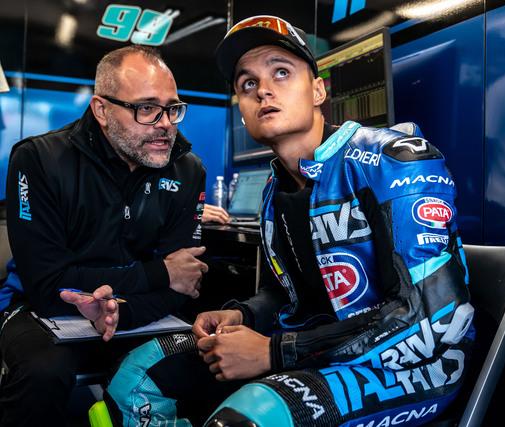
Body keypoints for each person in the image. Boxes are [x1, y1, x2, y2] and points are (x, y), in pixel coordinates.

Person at [104, 16, 474, 427]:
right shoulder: (275, 189)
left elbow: (430, 314)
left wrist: (273, 352)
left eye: (281, 72)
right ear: (242, 110)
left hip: (413, 366)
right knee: (137, 377)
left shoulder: (394, 161)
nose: (263, 89)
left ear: (318, 90)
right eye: (248, 83)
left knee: (244, 420)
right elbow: (288, 295)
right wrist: (243, 316)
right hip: (312, 352)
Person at [0, 45, 209, 425]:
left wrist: (118, 313)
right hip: (35, 309)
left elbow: (184, 285)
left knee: (211, 358)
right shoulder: (39, 159)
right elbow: (47, 287)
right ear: (101, 110)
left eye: (172, 109)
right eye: (147, 108)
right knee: (43, 373)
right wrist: (160, 272)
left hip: (137, 312)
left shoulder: (188, 169)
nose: (165, 123)